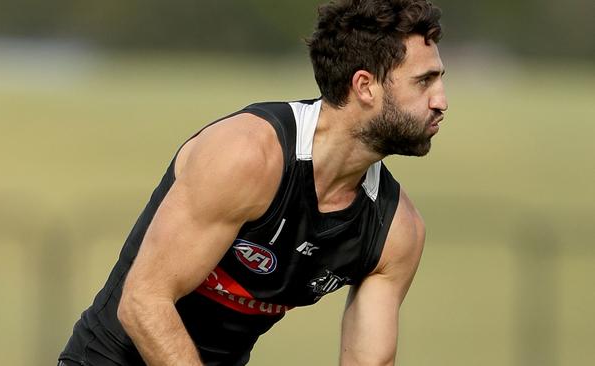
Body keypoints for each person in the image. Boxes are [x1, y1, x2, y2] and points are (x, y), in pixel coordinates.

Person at [58, 0, 447, 364]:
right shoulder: (247, 156)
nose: (441, 101)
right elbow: (143, 302)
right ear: (365, 86)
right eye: (423, 81)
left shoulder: (396, 232)